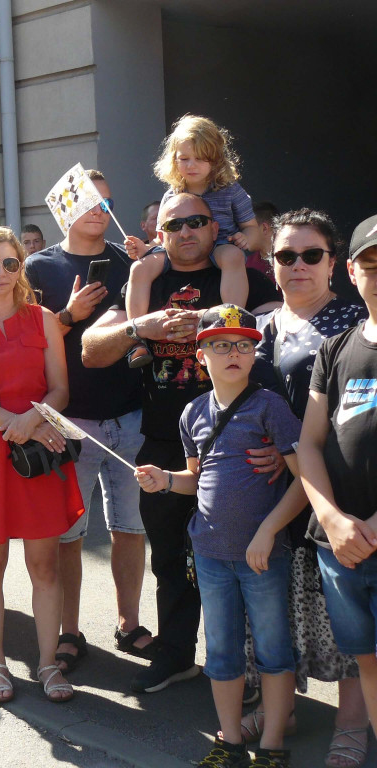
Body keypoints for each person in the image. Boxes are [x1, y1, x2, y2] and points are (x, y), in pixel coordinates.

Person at [82, 192, 282, 694]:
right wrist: (138, 327)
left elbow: (287, 346)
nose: (187, 232)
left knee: (244, 561)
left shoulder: (248, 279)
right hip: (163, 440)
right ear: (159, 234)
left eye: (198, 222)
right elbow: (91, 352)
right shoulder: (145, 280)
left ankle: (251, 671)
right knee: (170, 556)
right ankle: (175, 654)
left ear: (215, 228)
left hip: (238, 443)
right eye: (175, 225)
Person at [136, 305, 302, 768]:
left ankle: (271, 745)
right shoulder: (193, 411)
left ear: (254, 355)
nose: (234, 352)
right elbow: (196, 476)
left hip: (261, 555)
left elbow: (303, 480)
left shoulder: (269, 405)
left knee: (272, 651)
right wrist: (165, 480)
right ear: (201, 355)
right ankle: (228, 740)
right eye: (221, 344)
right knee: (222, 652)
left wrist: (268, 532)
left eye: (244, 345)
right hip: (209, 554)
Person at [245, 209, 368, 768]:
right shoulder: (262, 325)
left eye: (310, 255)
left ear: (333, 264)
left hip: (330, 492)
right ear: (270, 266)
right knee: (283, 605)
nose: (297, 266)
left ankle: (351, 722)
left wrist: (290, 454)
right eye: (285, 256)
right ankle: (283, 708)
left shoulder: (348, 324)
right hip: (266, 492)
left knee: (341, 613)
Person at [0, 228, 84, 704]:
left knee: (44, 564)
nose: (2, 274)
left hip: (38, 452)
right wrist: (15, 422)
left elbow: (60, 390)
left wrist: (30, 421)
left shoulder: (43, 319)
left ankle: (48, 664)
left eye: (11, 263)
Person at [24, 170, 152, 674]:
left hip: (129, 413)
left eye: (108, 201)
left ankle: (129, 622)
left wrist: (148, 266)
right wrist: (69, 314)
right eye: (92, 201)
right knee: (69, 535)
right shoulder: (38, 266)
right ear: (65, 209)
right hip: (68, 421)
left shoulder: (128, 261)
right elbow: (28, 342)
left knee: (130, 527)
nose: (103, 210)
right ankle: (69, 630)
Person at [299, 215, 377, 768]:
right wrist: (331, 518)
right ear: (351, 272)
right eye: (371, 264)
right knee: (368, 659)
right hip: (342, 546)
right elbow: (308, 444)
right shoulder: (336, 350)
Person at [124, 115, 263, 362]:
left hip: (221, 245)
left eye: (200, 158)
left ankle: (230, 323)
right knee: (139, 268)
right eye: (184, 159)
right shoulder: (171, 195)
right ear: (173, 160)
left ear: (216, 159)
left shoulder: (230, 190)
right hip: (177, 252)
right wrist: (143, 248)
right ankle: (138, 338)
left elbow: (252, 228)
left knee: (232, 256)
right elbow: (161, 239)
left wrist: (246, 239)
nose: (191, 165)